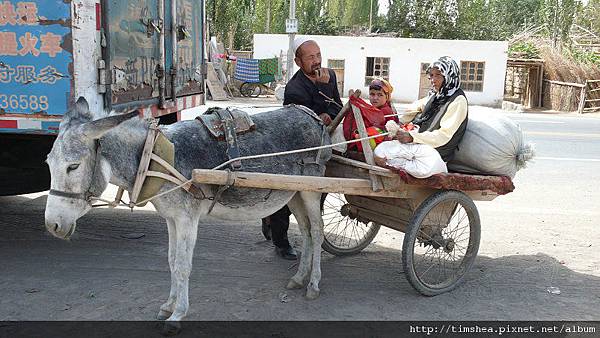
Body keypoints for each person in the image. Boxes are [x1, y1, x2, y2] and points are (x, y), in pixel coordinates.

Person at [261, 37, 342, 260]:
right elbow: (302, 122)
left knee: (317, 193)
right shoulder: (294, 89)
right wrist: (323, 107)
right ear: (298, 62)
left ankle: (311, 229)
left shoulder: (330, 75)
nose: (316, 61)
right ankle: (280, 240)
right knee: (287, 196)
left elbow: (337, 107)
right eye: (310, 57)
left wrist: (329, 113)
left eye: (318, 55)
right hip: (294, 147)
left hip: (319, 146)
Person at [375, 56, 468, 165]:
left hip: (435, 153)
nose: (433, 80)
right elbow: (417, 106)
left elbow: (443, 136)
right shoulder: (438, 95)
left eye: (438, 75)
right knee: (380, 149)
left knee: (382, 154)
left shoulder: (458, 101)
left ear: (449, 76)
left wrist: (412, 137)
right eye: (431, 75)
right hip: (422, 145)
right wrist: (401, 123)